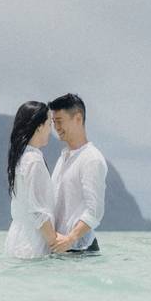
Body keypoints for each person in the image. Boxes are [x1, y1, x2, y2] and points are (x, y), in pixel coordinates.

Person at [4, 101, 67, 259]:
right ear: (39, 126)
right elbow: (37, 211)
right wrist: (57, 244)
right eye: (49, 123)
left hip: (17, 238)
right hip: (32, 244)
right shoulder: (33, 161)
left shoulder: (21, 158)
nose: (50, 129)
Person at [48, 93, 108, 254]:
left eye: (59, 121)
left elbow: (95, 211)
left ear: (78, 119)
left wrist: (70, 239)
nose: (56, 127)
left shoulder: (91, 158)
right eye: (53, 122)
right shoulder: (64, 156)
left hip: (80, 250)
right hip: (61, 248)